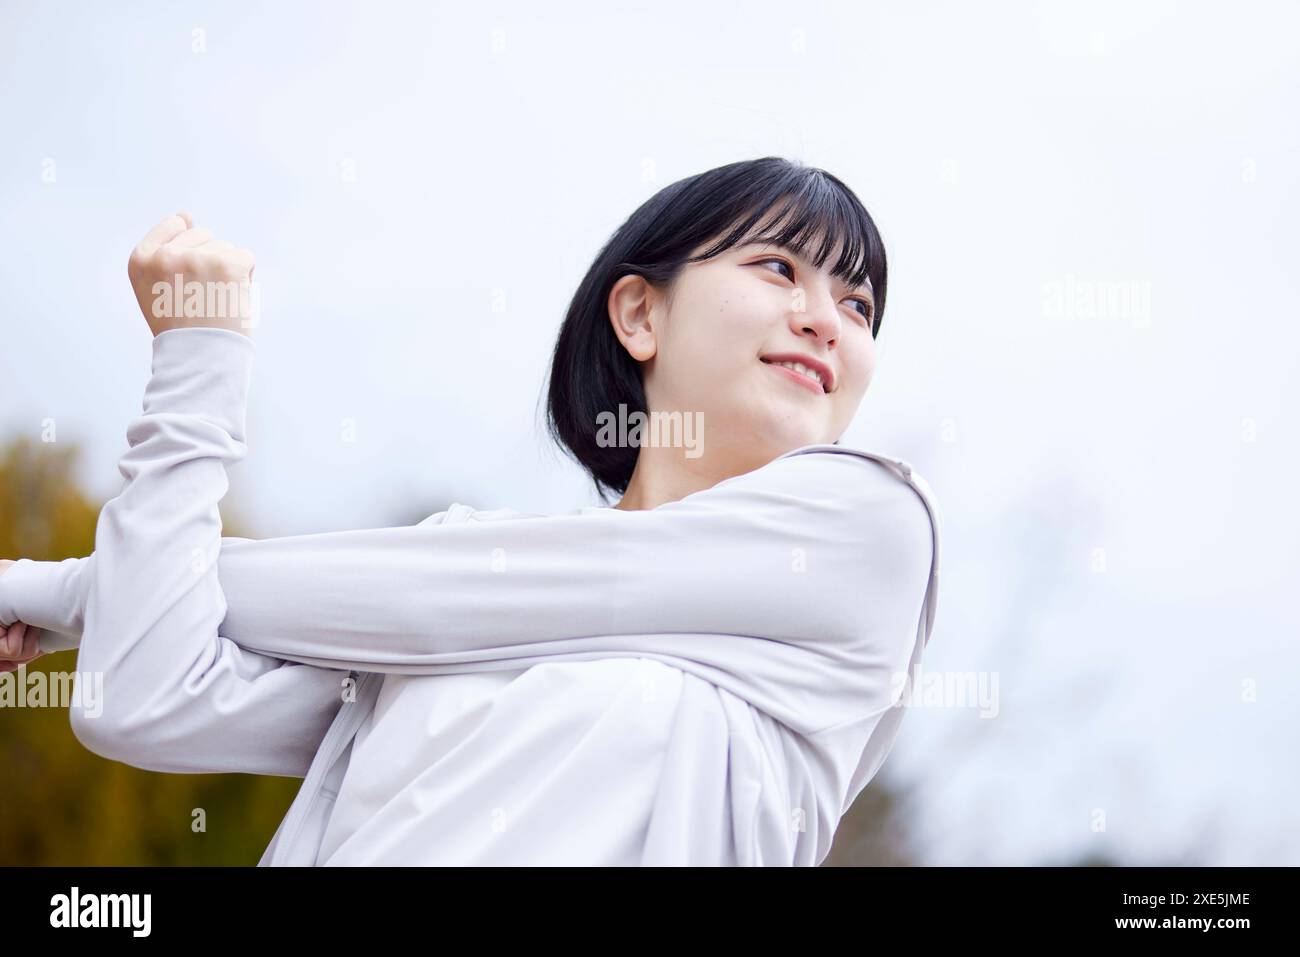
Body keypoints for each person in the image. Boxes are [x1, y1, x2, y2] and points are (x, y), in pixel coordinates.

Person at [0, 156, 942, 866]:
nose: (827, 318)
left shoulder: (871, 534)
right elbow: (143, 693)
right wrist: (200, 361)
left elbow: (429, 601)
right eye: (780, 269)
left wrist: (63, 590)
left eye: (859, 304)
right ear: (639, 317)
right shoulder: (457, 572)